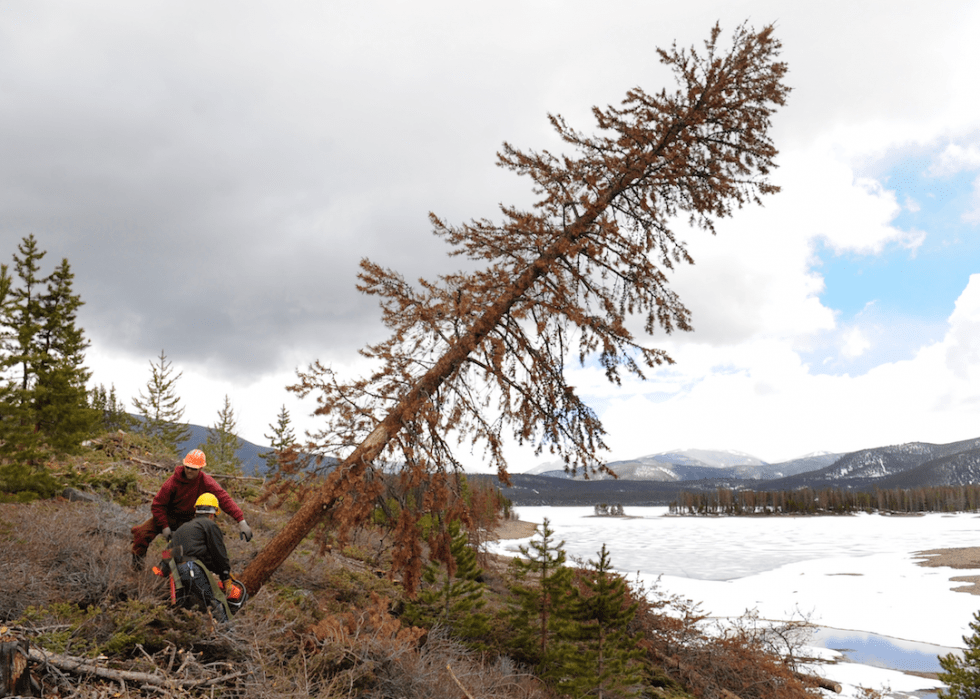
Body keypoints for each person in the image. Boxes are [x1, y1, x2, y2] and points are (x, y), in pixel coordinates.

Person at [131, 448, 253, 568]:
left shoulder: (206, 482)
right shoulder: (173, 482)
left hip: (189, 520)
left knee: (183, 547)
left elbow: (224, 499)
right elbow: (158, 505)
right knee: (142, 533)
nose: (189, 471)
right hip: (167, 516)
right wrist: (165, 527)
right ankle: (137, 566)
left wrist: (241, 521)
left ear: (200, 468)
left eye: (193, 468)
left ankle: (164, 567)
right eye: (187, 467)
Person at [167, 493, 239, 622]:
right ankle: (227, 631)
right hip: (191, 568)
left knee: (188, 607)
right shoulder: (209, 525)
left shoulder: (183, 528)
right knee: (215, 602)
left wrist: (162, 569)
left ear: (196, 511)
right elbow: (219, 554)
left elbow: (168, 553)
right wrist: (225, 576)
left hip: (177, 573)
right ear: (212, 514)